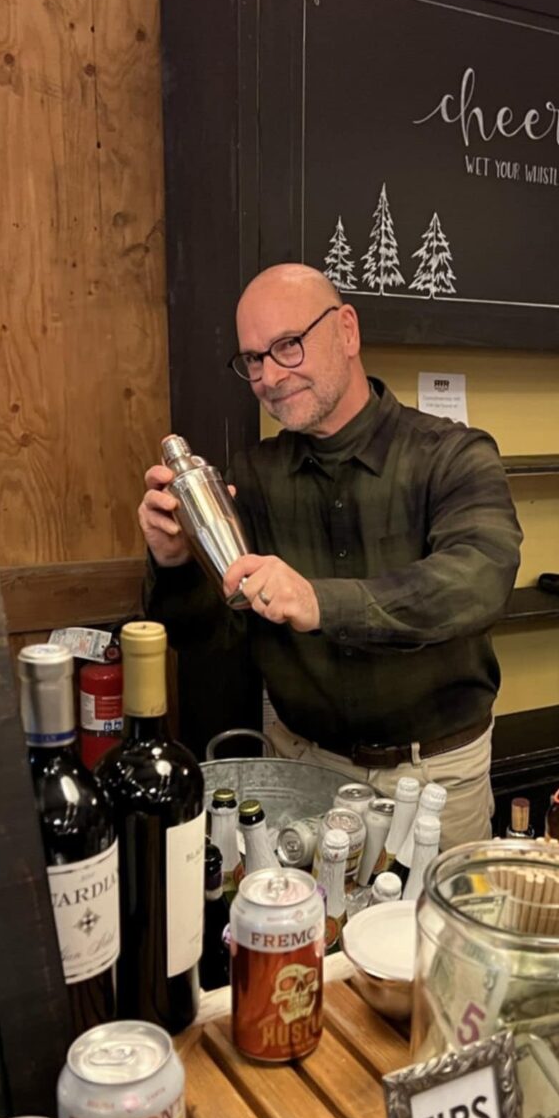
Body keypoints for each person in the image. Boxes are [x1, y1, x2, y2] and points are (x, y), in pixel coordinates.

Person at [138, 263, 522, 848]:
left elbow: (478, 580)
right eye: (254, 360)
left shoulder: (452, 456)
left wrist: (320, 601)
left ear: (346, 331)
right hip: (302, 768)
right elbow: (207, 637)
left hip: (436, 781)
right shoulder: (252, 476)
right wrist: (173, 561)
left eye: (287, 346)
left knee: (430, 937)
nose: (268, 375)